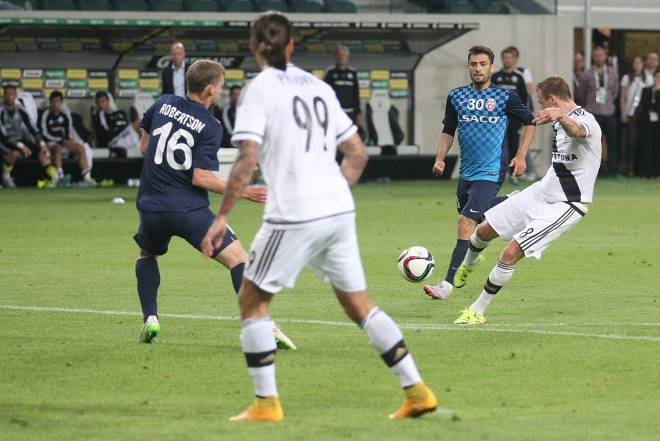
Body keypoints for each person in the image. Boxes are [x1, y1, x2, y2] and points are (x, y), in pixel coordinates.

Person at [201, 12, 437, 422]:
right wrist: (329, 196)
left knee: (252, 300)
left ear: (254, 48)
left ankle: (266, 404)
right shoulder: (319, 87)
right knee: (359, 305)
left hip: (294, 214)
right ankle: (417, 391)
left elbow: (246, 160)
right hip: (337, 210)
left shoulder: (258, 91)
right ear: (292, 46)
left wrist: (222, 217)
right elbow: (358, 154)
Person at [133, 59, 295, 350]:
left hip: (151, 206)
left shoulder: (163, 103)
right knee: (239, 259)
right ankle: (261, 324)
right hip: (187, 210)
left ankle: (151, 318)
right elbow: (201, 177)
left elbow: (145, 147)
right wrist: (244, 192)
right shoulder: (210, 126)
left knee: (147, 255)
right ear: (209, 89)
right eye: (220, 87)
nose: (220, 92)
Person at [449, 75, 602, 324]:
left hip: (568, 204)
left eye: (542, 103)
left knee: (510, 252)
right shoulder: (555, 123)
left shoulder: (586, 121)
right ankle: (469, 263)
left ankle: (477, 311)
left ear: (552, 99)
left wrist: (560, 116)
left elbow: (577, 131)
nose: (541, 108)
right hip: (542, 191)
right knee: (484, 229)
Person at [422, 44, 536, 302]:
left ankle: (446, 285)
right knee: (476, 219)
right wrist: (440, 158)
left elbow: (530, 121)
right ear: (468, 66)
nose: (478, 68)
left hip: (491, 170)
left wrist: (520, 156)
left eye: (483, 64)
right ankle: (511, 201)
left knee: (465, 223)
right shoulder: (457, 97)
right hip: (467, 173)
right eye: (474, 64)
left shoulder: (505, 97)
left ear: (491, 67)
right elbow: (448, 130)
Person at [0, 85, 58, 188]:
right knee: (15, 153)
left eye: (11, 94)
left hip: (19, 140)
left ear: (16, 96)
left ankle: (56, 178)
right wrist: (21, 146)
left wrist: (42, 144)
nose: (9, 97)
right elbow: (3, 135)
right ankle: (6, 177)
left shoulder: (20, 109)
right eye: (7, 94)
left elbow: (33, 128)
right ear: (3, 96)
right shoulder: (1, 110)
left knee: (42, 151)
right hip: (4, 142)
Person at [579, 45, 624, 180]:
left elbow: (615, 92)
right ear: (593, 57)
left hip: (609, 112)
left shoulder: (613, 73)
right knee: (593, 144)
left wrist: (608, 102)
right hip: (593, 113)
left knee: (612, 143)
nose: (599, 58)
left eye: (601, 55)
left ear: (605, 56)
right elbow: (582, 94)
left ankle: (612, 171)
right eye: (596, 55)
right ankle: (593, 172)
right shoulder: (586, 74)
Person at [39, 90, 94, 187]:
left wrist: (69, 140)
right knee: (58, 148)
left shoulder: (65, 113)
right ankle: (60, 176)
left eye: (58, 101)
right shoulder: (45, 114)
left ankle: (87, 178)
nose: (55, 104)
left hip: (63, 142)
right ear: (50, 102)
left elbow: (69, 128)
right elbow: (44, 134)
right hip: (50, 143)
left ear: (61, 103)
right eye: (53, 101)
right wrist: (62, 141)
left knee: (81, 148)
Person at [491, 47, 530, 185]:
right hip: (497, 118)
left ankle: (514, 175)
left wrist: (522, 117)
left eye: (510, 58)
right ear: (502, 59)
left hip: (513, 119)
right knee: (496, 146)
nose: (507, 60)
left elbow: (524, 99)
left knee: (513, 146)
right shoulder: (495, 77)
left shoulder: (518, 78)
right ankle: (495, 174)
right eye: (505, 58)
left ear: (514, 59)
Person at [619, 56, 652, 177]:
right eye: (635, 62)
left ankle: (641, 169)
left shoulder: (648, 78)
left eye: (639, 62)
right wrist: (623, 113)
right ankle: (630, 169)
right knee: (631, 143)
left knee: (643, 143)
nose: (637, 64)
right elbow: (623, 97)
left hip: (642, 115)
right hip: (630, 114)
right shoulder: (627, 78)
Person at [323, 45, 362, 131]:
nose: (341, 57)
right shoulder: (330, 72)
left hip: (350, 112)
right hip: (334, 111)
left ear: (347, 57)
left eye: (343, 55)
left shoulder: (353, 72)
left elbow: (356, 94)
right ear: (336, 57)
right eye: (339, 55)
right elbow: (324, 92)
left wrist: (358, 113)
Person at [635, 68, 660, 180]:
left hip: (658, 124)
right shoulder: (646, 90)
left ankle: (657, 173)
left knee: (657, 147)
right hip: (647, 123)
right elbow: (643, 105)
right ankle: (645, 172)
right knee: (646, 147)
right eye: (656, 77)